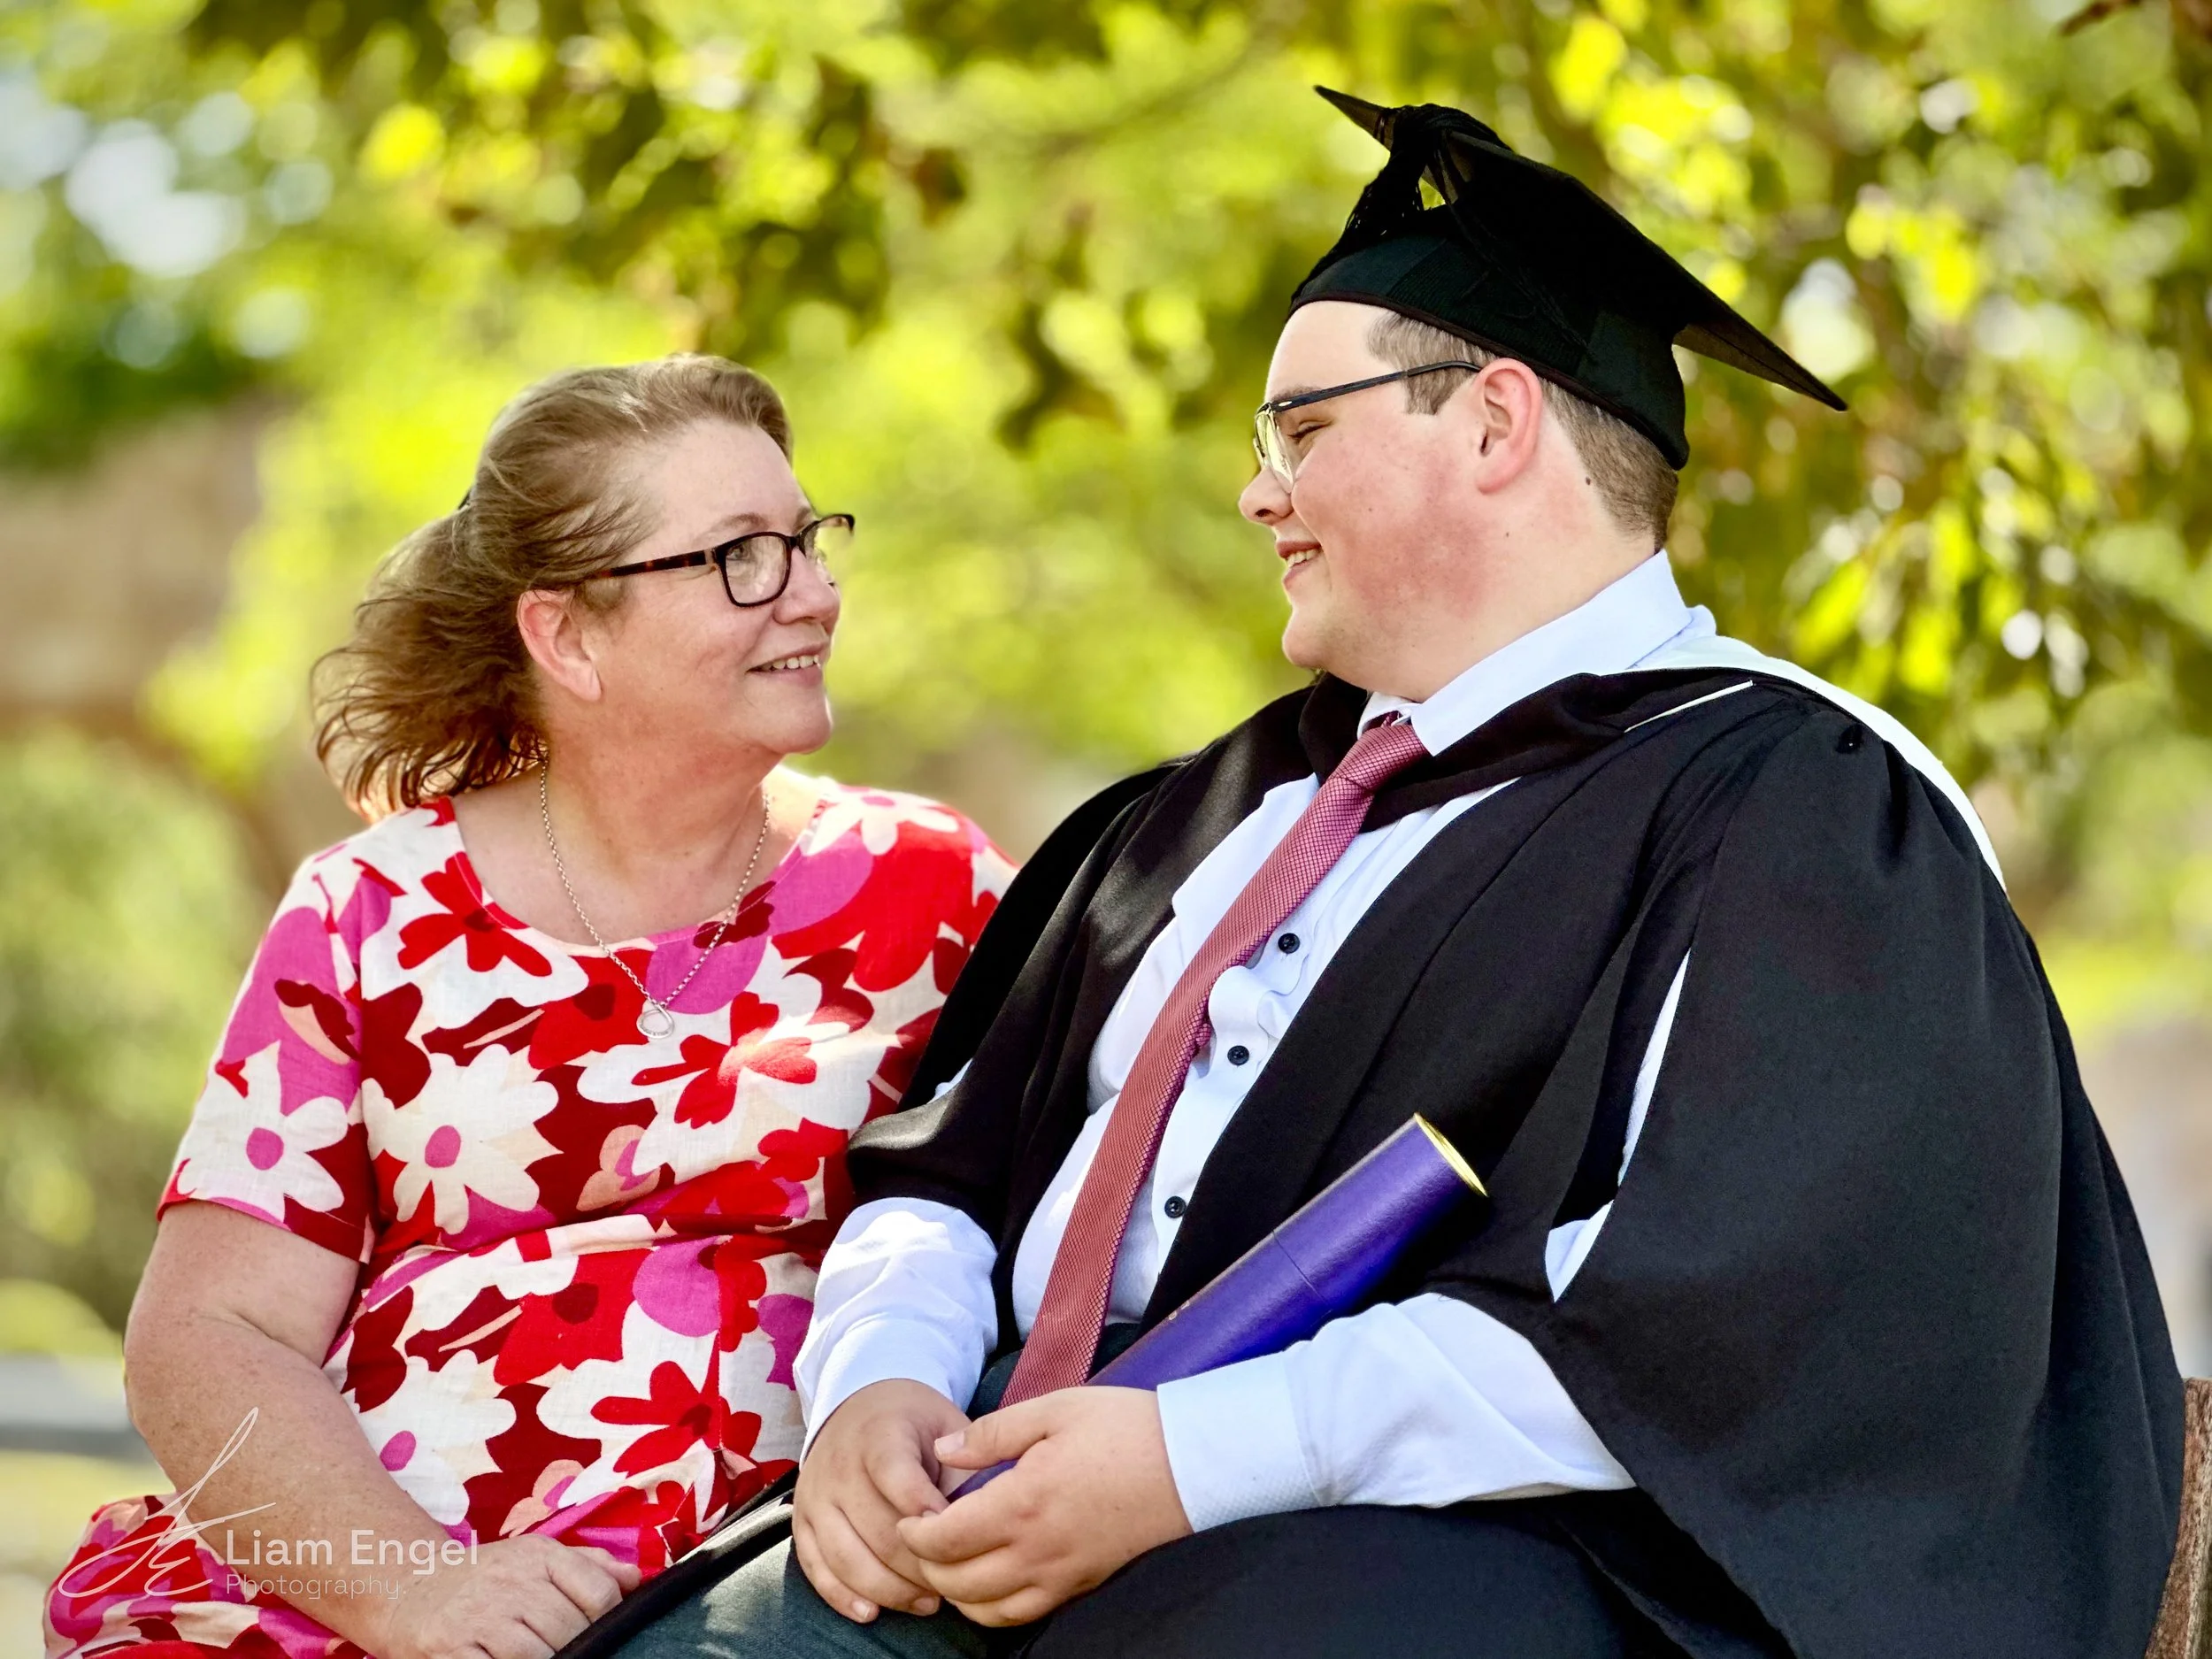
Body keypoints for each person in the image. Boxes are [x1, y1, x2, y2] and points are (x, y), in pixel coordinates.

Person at [619, 95, 2183, 1659]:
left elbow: (1727, 1328)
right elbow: (955, 1163)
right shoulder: (1206, 806)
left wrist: (1192, 1461)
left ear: (1497, 424)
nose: (1257, 492)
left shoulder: (1797, 809)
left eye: (1301, 431)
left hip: (1422, 1575)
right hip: (969, 1519)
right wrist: (877, 1384)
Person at [43, 355, 1014, 1659]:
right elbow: (210, 1332)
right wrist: (416, 1593)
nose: (817, 595)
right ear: (565, 635)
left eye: (806, 540)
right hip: (359, 1598)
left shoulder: (935, 886)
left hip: (756, 1598)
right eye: (740, 557)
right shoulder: (369, 910)